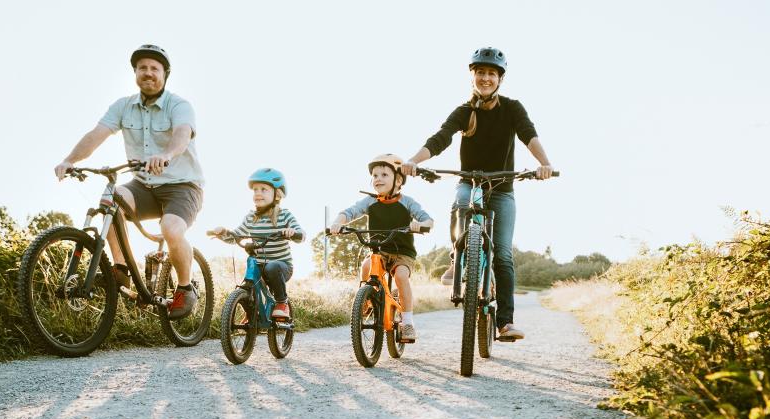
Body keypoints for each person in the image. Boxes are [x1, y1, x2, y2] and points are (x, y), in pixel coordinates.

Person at [399, 47, 555, 340]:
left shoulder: (512, 108)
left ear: (499, 79)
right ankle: (457, 256)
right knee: (460, 201)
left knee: (504, 255)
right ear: (472, 77)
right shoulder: (464, 111)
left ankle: (504, 323)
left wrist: (544, 164)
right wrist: (413, 161)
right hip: (470, 182)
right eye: (480, 73)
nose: (485, 78)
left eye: (491, 74)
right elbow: (441, 137)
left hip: (502, 188)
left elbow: (528, 133)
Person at [54, 44, 203, 318]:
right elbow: (96, 135)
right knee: (110, 200)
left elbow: (183, 134)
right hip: (144, 185)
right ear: (135, 73)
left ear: (164, 74)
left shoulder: (179, 105)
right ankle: (121, 271)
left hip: (182, 186)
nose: (148, 73)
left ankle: (185, 288)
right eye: (142, 68)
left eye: (154, 68)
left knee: (170, 229)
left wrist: (167, 154)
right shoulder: (123, 107)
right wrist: (70, 160)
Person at [329, 154, 434, 342]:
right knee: (366, 266)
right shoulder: (370, 201)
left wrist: (421, 224)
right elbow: (349, 212)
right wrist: (338, 222)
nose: (378, 179)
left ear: (399, 180)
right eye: (375, 175)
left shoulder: (407, 202)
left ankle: (407, 322)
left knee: (401, 276)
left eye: (384, 175)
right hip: (380, 251)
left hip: (403, 253)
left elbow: (428, 219)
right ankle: (367, 300)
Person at [210, 168, 304, 320]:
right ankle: (252, 311)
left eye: (263, 189)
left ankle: (282, 302)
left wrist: (292, 232)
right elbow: (235, 236)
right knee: (251, 273)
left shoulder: (284, 215)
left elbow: (301, 235)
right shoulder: (250, 218)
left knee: (271, 267)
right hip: (260, 266)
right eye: (255, 190)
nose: (258, 193)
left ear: (277, 194)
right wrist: (222, 233)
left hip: (281, 268)